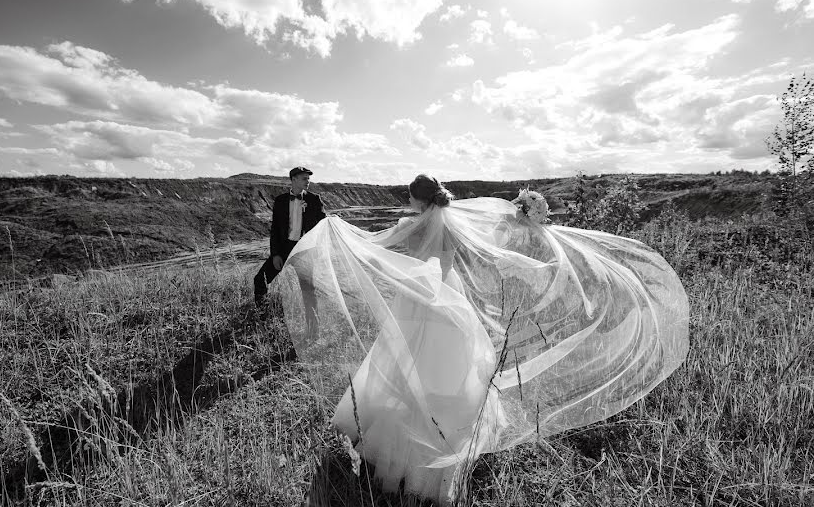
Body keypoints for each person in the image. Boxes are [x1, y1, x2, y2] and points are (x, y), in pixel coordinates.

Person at [276, 174, 690, 504]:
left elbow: (376, 245)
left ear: (415, 201)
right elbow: (493, 236)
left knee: (406, 362)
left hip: (419, 298)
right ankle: (443, 434)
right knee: (446, 367)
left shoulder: (409, 225)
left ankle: (401, 444)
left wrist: (336, 229)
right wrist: (522, 216)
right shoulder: (454, 225)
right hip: (448, 296)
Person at [253, 166, 326, 309]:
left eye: (308, 178)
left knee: (308, 290)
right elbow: (275, 229)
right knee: (260, 280)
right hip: (284, 248)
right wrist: (275, 254)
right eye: (304, 178)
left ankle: (313, 326)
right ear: (294, 179)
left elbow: (323, 224)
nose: (308, 181)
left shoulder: (314, 199)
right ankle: (262, 315)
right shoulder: (280, 200)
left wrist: (309, 212)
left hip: (304, 250)